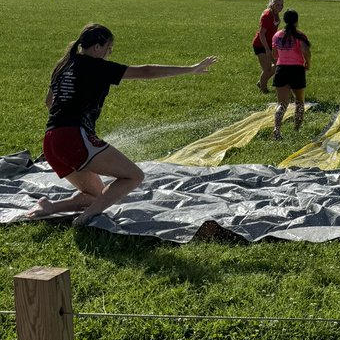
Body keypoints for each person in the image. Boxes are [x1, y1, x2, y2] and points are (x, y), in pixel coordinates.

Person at [27, 23, 216, 227]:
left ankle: (49, 207)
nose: (109, 53)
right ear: (97, 47)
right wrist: (190, 69)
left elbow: (49, 102)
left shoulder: (63, 65)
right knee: (134, 176)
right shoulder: (96, 66)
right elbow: (147, 72)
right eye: (109, 48)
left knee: (98, 195)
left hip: (51, 140)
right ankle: (84, 220)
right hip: (73, 137)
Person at [271, 10, 311, 140]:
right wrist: (307, 63)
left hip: (281, 69)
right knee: (299, 102)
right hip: (296, 70)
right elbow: (306, 51)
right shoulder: (300, 36)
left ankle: (276, 129)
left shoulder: (277, 35)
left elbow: (274, 54)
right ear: (296, 21)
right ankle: (296, 129)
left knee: (281, 103)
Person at [252, 0, 284, 93]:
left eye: (281, 5)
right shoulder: (267, 15)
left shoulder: (275, 14)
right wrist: (267, 49)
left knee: (279, 64)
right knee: (267, 69)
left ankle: (261, 82)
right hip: (260, 44)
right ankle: (263, 89)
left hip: (270, 44)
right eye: (277, 4)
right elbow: (262, 34)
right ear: (272, 4)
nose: (280, 7)